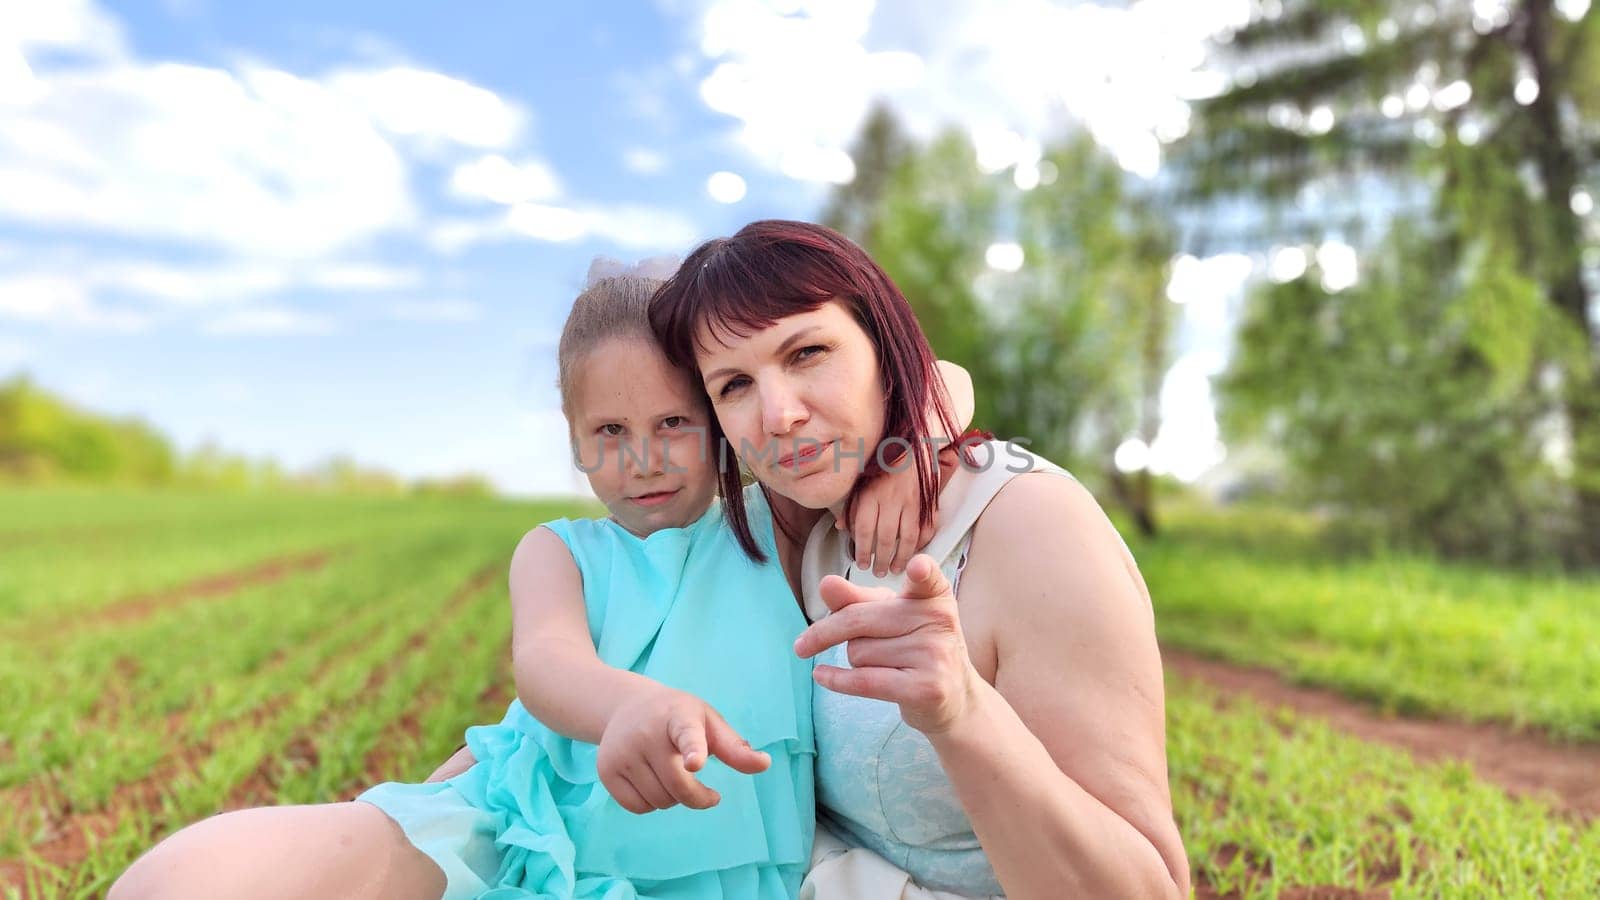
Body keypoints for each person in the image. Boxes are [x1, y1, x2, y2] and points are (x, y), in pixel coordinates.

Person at [108, 261, 972, 900]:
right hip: (544, 818)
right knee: (185, 881)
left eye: (674, 422)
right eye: (608, 431)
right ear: (573, 439)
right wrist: (627, 706)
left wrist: (917, 443)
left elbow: (943, 381)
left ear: (720, 417)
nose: (642, 459)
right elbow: (548, 663)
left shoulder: (763, 521)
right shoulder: (559, 550)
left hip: (729, 863)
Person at [645, 220, 1191, 899]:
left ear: (883, 343)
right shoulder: (798, 524)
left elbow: (1149, 892)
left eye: (807, 352)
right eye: (733, 386)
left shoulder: (1030, 526)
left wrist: (963, 713)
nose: (777, 415)